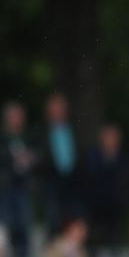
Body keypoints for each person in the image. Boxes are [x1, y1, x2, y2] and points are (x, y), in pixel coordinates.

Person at [0, 102, 36, 257]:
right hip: (6, 188)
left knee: (23, 225)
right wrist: (15, 157)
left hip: (22, 188)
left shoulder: (27, 137)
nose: (17, 120)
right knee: (5, 226)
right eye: (14, 117)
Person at [38, 93, 81, 235]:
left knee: (72, 218)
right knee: (53, 218)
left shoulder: (74, 129)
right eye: (55, 109)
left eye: (61, 108)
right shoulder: (42, 132)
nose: (58, 112)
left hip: (72, 181)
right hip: (51, 181)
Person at [87, 124, 129, 247]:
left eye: (113, 137)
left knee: (114, 236)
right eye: (108, 137)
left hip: (116, 205)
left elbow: (127, 182)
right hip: (96, 205)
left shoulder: (125, 158)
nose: (110, 140)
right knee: (96, 236)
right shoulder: (92, 156)